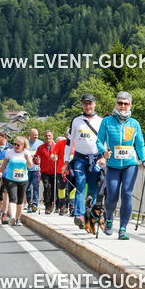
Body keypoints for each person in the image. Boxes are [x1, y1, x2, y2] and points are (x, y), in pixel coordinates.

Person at [96, 92, 145, 240]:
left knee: (126, 194)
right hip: (113, 165)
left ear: (130, 105)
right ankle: (108, 217)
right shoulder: (107, 121)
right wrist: (103, 152)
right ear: (116, 104)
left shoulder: (134, 123)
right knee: (112, 196)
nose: (123, 106)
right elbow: (99, 141)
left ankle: (123, 228)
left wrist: (144, 160)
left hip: (130, 164)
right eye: (120, 103)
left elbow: (140, 144)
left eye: (126, 104)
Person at [63, 94, 103, 228]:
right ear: (82, 105)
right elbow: (69, 142)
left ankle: (90, 217)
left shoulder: (101, 121)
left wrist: (104, 158)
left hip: (95, 159)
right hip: (80, 158)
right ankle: (79, 215)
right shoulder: (76, 120)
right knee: (79, 185)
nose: (88, 106)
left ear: (95, 104)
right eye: (85, 104)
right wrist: (65, 161)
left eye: (90, 104)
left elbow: (105, 141)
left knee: (92, 188)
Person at [0, 136, 35, 226]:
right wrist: (0, 173)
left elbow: (30, 166)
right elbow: (4, 165)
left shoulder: (27, 153)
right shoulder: (9, 152)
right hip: (11, 179)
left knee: (20, 200)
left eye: (18, 145)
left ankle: (18, 218)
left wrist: (27, 158)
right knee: (12, 198)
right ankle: (12, 217)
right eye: (14, 144)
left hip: (23, 179)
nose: (15, 146)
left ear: (23, 146)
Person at [36, 130, 59, 213]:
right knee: (46, 188)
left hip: (54, 171)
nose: (48, 137)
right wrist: (37, 160)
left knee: (54, 188)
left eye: (49, 135)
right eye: (46, 136)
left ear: (52, 136)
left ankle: (53, 202)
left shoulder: (56, 146)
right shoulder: (40, 148)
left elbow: (60, 158)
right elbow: (35, 158)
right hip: (45, 171)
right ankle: (47, 204)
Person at [25, 128, 43, 212]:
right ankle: (29, 203)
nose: (36, 135)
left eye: (37, 134)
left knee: (36, 186)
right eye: (34, 134)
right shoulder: (26, 143)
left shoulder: (40, 143)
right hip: (27, 169)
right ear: (30, 134)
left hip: (36, 169)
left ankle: (35, 203)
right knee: (27, 188)